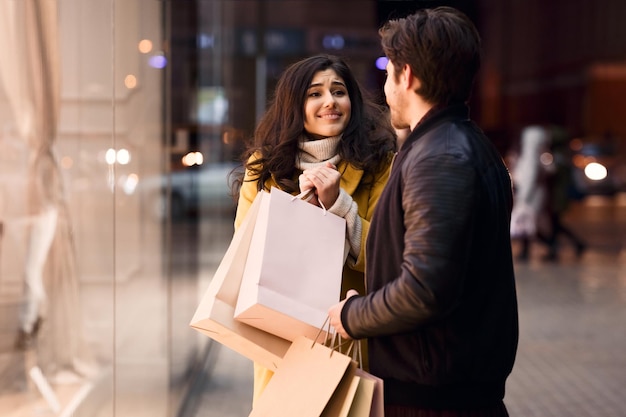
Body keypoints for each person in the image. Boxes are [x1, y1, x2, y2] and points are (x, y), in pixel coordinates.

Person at [328, 7, 519, 417]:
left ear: (408, 75)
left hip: (434, 401)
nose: (386, 86)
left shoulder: (441, 157)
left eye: (388, 72)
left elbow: (424, 290)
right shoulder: (459, 144)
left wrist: (352, 315)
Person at [232, 54, 397, 405]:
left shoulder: (379, 163)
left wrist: (339, 205)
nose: (330, 102)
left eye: (339, 91)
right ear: (295, 104)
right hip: (280, 334)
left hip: (348, 333)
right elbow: (246, 253)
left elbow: (388, 256)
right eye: (315, 94)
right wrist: (299, 219)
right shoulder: (264, 168)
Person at [509, 125, 553, 261]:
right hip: (530, 195)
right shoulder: (529, 154)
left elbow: (530, 176)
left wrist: (523, 196)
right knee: (529, 224)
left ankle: (549, 245)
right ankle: (527, 250)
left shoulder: (536, 155)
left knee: (531, 223)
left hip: (532, 195)